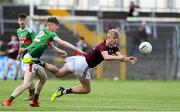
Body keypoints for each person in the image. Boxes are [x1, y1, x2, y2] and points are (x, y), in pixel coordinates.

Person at [32, 29, 137, 101]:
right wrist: (120, 57)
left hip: (80, 60)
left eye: (117, 38)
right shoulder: (102, 46)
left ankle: (39, 62)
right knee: (87, 90)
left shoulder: (114, 46)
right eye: (114, 38)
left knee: (58, 73)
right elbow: (107, 57)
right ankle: (64, 91)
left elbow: (120, 58)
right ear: (108, 37)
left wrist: (127, 58)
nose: (116, 40)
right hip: (83, 65)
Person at [2, 17, 85, 107]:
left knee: (43, 78)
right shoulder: (50, 33)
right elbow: (63, 43)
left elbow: (52, 47)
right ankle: (8, 101)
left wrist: (62, 52)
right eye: (56, 25)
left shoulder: (44, 31)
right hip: (30, 59)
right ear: (50, 25)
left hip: (34, 59)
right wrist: (77, 49)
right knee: (27, 84)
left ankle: (35, 100)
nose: (58, 27)